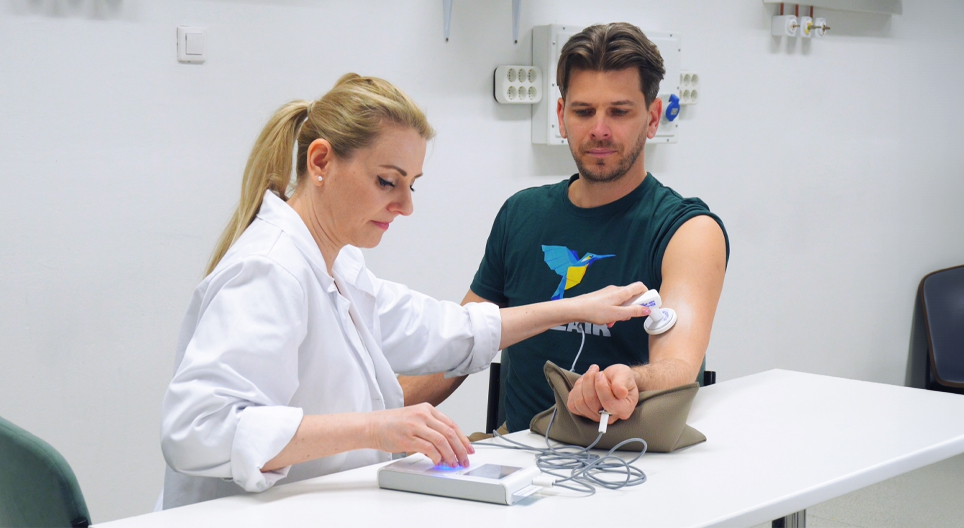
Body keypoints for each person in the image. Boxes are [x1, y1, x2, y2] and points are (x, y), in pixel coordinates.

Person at [159, 73, 650, 509]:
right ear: (321, 161)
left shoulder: (338, 266)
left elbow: (444, 329)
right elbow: (197, 432)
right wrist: (377, 427)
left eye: (411, 184)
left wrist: (574, 307)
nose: (405, 206)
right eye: (387, 182)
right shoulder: (270, 270)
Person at [400, 23, 729, 433]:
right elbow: (461, 345)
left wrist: (627, 380)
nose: (599, 129)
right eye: (583, 111)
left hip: (631, 454)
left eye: (619, 112)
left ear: (653, 118)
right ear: (561, 116)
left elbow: (677, 367)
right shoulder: (522, 214)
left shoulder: (688, 230)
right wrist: (364, 417)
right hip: (518, 450)